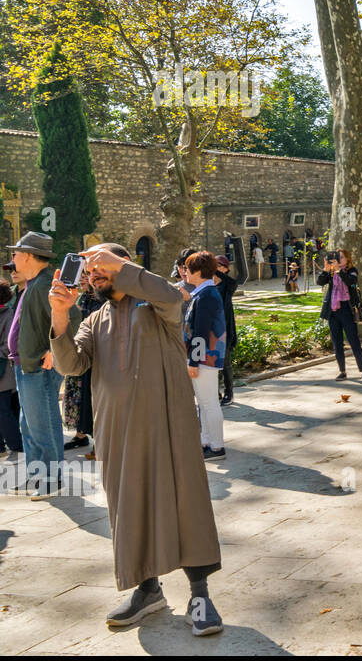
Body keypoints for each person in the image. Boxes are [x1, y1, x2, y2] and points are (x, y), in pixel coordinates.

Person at [49, 243, 224, 635]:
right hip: (116, 433)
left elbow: (167, 293)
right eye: (90, 273)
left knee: (185, 503)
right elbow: (70, 364)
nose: (93, 277)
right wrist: (60, 314)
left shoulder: (158, 308)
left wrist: (117, 264)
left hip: (168, 425)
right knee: (129, 509)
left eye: (100, 270)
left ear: (123, 267)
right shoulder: (95, 322)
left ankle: (200, 595)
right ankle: (148, 591)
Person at [6, 231, 62, 496]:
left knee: (42, 427)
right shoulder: (34, 284)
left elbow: (68, 317)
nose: (12, 258)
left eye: (15, 253)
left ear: (28, 255)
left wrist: (54, 349)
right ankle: (37, 476)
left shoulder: (43, 285)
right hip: (26, 366)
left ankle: (50, 481)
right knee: (28, 425)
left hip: (39, 368)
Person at [182, 252, 228, 459]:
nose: (184, 272)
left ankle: (217, 446)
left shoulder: (207, 294)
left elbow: (201, 331)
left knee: (209, 403)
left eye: (188, 268)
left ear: (198, 272)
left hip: (205, 358)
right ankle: (207, 441)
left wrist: (194, 360)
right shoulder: (203, 293)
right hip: (204, 357)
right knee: (204, 402)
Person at [61, 276, 106, 455]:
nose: (80, 280)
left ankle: (100, 442)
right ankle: (81, 435)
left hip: (95, 356)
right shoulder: (83, 297)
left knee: (92, 399)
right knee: (79, 398)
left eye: (84, 276)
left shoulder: (103, 300)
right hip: (79, 353)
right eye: (79, 276)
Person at [318, 249, 362, 382]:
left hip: (347, 309)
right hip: (333, 310)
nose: (338, 260)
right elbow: (320, 282)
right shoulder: (331, 272)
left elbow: (351, 282)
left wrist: (339, 271)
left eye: (340, 257)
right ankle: (342, 371)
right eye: (336, 257)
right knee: (337, 342)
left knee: (353, 341)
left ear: (347, 259)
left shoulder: (352, 271)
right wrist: (326, 269)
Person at [214, 254, 243, 406]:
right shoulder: (209, 285)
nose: (216, 269)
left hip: (224, 329)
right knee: (213, 363)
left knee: (224, 362)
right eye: (215, 266)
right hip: (211, 330)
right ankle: (216, 392)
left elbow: (233, 281)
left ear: (226, 269)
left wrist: (213, 269)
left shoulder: (227, 286)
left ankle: (229, 392)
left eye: (220, 266)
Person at [0, 281, 21, 460]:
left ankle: (16, 446)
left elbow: (7, 346)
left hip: (4, 371)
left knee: (4, 411)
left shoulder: (8, 314)